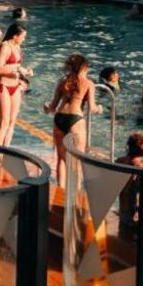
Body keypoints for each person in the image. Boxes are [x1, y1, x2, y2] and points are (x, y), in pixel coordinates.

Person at [45, 54, 97, 190]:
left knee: (61, 158)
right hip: (75, 119)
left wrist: (46, 107)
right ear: (84, 67)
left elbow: (52, 107)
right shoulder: (88, 83)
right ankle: (76, 192)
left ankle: (60, 191)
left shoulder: (63, 82)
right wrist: (100, 109)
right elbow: (92, 107)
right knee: (77, 159)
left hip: (59, 117)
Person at [0, 20, 31, 147]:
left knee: (12, 122)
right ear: (15, 36)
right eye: (23, 36)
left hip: (15, 86)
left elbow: (16, 66)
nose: (24, 39)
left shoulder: (17, 47)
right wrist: (17, 69)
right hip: (3, 87)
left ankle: (6, 149)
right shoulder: (4, 46)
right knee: (4, 122)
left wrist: (25, 71)